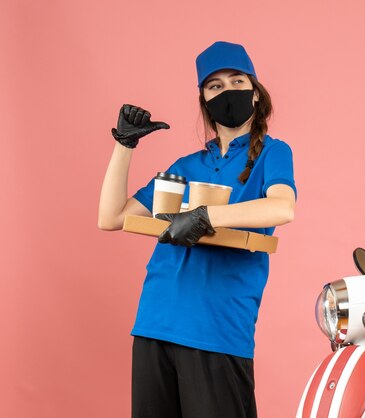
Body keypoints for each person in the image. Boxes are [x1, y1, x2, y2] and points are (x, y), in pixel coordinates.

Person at [97, 41, 297, 418]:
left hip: (217, 330)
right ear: (204, 100)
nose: (227, 91)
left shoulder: (273, 153)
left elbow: (282, 207)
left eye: (237, 81)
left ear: (255, 94)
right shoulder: (187, 166)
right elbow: (112, 218)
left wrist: (205, 217)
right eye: (214, 86)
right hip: (155, 324)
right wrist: (124, 146)